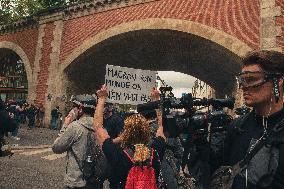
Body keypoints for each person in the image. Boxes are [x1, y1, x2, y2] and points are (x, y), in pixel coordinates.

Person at [215, 50, 284, 188]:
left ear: (278, 81)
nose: (244, 87)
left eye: (252, 79)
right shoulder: (237, 127)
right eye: (242, 80)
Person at [93, 85, 166, 189]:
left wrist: (101, 99)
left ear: (126, 132)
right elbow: (160, 126)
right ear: (148, 131)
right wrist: (156, 101)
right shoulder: (157, 149)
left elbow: (98, 127)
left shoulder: (117, 153)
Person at [52, 96, 104, 189]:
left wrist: (65, 125)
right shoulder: (101, 129)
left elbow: (56, 147)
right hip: (95, 181)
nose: (72, 110)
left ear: (80, 108)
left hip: (76, 182)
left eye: (74, 107)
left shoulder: (75, 127)